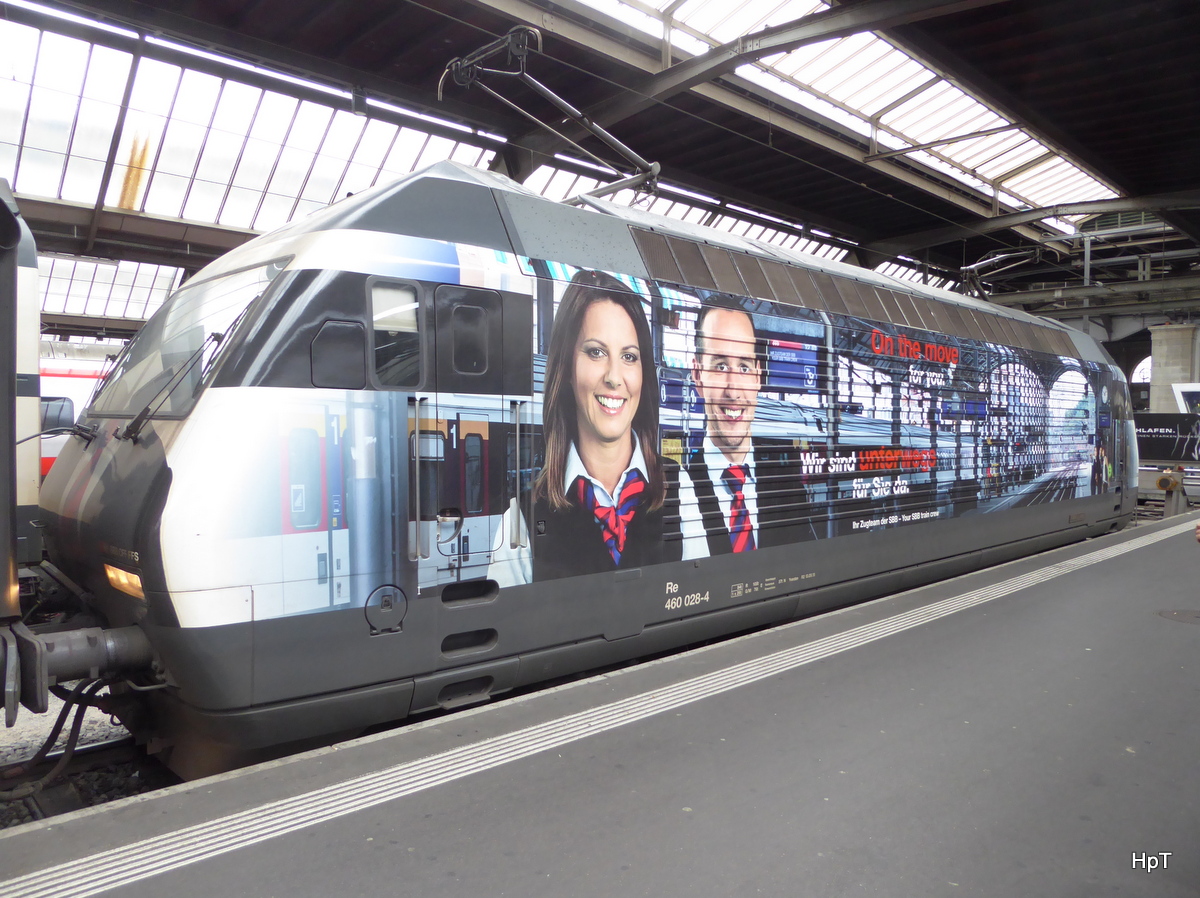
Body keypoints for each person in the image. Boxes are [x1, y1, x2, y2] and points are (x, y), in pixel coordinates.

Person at [488, 269, 679, 585]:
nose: (614, 377)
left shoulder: (685, 492)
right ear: (567, 367)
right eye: (596, 352)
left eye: (629, 356)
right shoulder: (522, 522)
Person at [678, 297, 817, 558]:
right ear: (697, 375)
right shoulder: (676, 488)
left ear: (757, 376)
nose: (733, 390)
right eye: (720, 366)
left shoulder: (785, 480)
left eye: (743, 367)